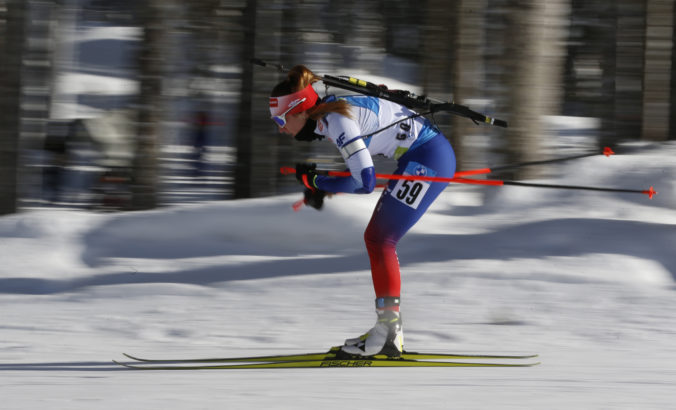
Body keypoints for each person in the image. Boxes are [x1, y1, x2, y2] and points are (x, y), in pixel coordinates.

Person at [269, 65, 456, 357]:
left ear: (301, 111)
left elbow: (365, 183)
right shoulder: (328, 117)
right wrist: (323, 185)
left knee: (380, 239)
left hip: (429, 158)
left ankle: (389, 334)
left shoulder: (336, 121)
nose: (279, 127)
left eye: (281, 119)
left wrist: (318, 180)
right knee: (377, 238)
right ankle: (387, 331)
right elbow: (358, 171)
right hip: (423, 156)